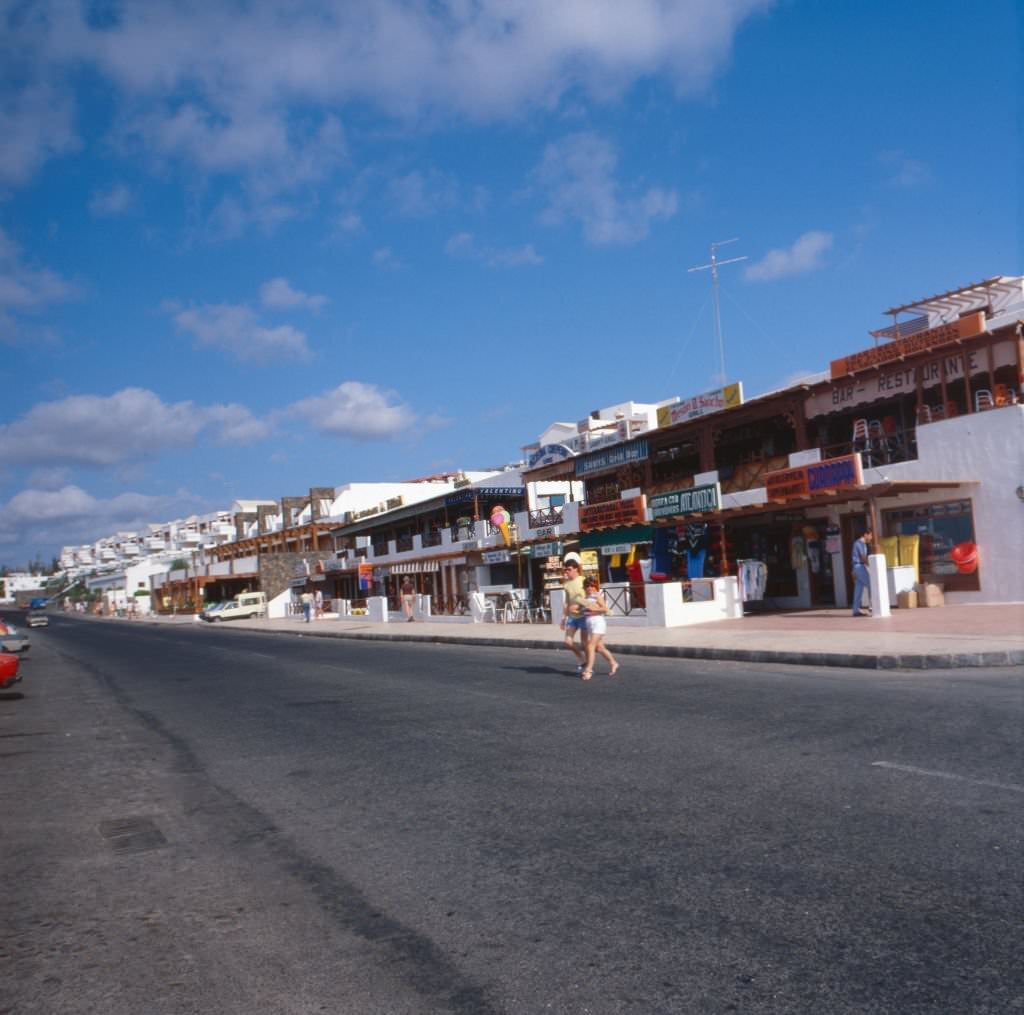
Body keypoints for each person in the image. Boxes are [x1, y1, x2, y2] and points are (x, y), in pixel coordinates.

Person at [580, 575, 619, 680]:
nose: (590, 588)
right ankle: (613, 663)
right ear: (584, 587)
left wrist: (593, 610)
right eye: (587, 586)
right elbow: (582, 612)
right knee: (600, 648)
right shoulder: (584, 599)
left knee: (590, 646)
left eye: (592, 586)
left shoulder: (596, 596)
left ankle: (588, 670)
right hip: (590, 625)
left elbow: (605, 609)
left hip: (598, 623)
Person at [559, 556, 589, 674]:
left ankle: (588, 667)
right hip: (572, 617)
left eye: (569, 569)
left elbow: (588, 598)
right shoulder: (566, 585)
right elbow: (567, 602)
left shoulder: (583, 580)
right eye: (565, 569)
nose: (567, 571)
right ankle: (581, 658)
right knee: (568, 641)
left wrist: (579, 606)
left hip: (584, 615)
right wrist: (563, 618)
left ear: (576, 569)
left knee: (584, 643)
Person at [851, 528, 873, 617]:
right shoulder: (859, 543)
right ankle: (872, 606)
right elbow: (862, 557)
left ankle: (855, 610)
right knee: (871, 584)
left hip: (857, 567)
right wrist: (870, 565)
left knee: (858, 589)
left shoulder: (863, 544)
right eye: (870, 535)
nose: (871, 537)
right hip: (859, 567)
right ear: (865, 534)